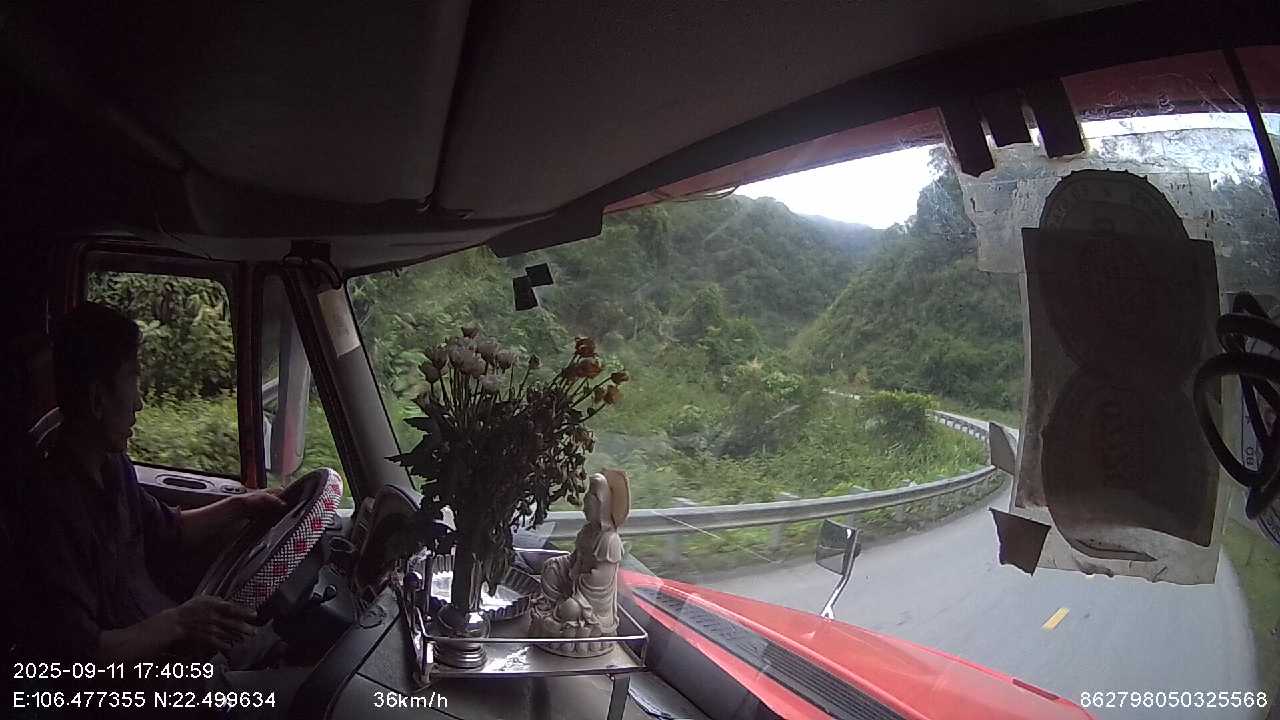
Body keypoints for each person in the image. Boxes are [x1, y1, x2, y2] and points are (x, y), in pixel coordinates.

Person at [19, 302, 288, 663]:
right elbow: (81, 657)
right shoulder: (51, 509)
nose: (140, 403)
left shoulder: (113, 466)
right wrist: (179, 623)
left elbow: (168, 530)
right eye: (133, 380)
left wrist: (241, 505)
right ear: (98, 400)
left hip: (169, 653)